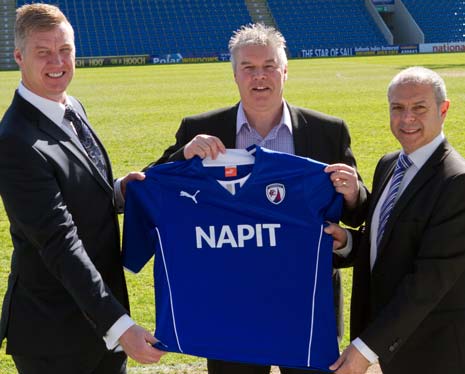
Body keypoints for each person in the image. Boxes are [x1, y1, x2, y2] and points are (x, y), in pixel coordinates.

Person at [148, 23, 368, 374]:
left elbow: (358, 213)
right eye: (248, 68)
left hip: (305, 307)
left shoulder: (328, 131)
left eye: (268, 66)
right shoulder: (199, 129)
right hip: (229, 308)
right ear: (234, 75)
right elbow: (155, 186)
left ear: (285, 71)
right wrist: (182, 156)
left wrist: (354, 192)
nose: (259, 77)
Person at [0, 4, 164, 373]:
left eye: (65, 50)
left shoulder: (71, 106)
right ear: (18, 58)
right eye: (43, 52)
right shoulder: (14, 142)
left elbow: (77, 193)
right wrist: (121, 327)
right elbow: (59, 242)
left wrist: (119, 191)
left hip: (98, 322)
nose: (57, 61)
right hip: (54, 335)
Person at [327, 67, 465, 374]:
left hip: (435, 351)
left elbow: (429, 280)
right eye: (397, 108)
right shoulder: (389, 164)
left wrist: (365, 349)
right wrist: (349, 241)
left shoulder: (457, 182)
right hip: (394, 345)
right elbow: (391, 241)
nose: (407, 119)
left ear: (443, 110)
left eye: (419, 108)